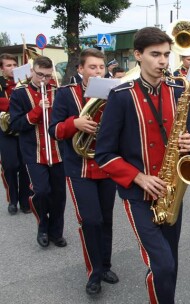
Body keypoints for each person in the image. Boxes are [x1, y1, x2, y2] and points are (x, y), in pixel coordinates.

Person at [94, 27, 190, 303]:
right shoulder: (121, 95)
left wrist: (189, 144)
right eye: (155, 55)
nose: (163, 61)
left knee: (170, 261)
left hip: (171, 190)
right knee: (161, 263)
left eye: (166, 54)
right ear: (138, 55)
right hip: (138, 194)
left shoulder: (177, 91)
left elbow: (181, 138)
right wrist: (138, 177)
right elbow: (103, 154)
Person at [50, 48, 119, 295]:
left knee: (107, 219)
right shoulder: (66, 95)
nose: (98, 72)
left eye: (101, 68)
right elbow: (54, 130)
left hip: (108, 167)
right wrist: (75, 124)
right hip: (80, 167)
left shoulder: (114, 94)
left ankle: (106, 265)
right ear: (81, 70)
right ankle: (94, 273)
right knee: (91, 220)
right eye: (93, 67)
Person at [9, 56, 66, 248]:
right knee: (41, 192)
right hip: (34, 152)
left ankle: (56, 232)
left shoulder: (57, 92)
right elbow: (15, 124)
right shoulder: (19, 94)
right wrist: (37, 111)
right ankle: (43, 226)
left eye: (48, 76)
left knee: (59, 195)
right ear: (32, 71)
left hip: (58, 152)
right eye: (40, 74)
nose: (44, 80)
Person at [0, 53, 32, 215]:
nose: (12, 68)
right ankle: (12, 199)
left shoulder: (23, 83)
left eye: (14, 65)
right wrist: (15, 103)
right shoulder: (1, 85)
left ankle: (25, 200)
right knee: (10, 166)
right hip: (6, 132)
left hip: (23, 129)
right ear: (2, 68)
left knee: (25, 166)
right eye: (8, 65)